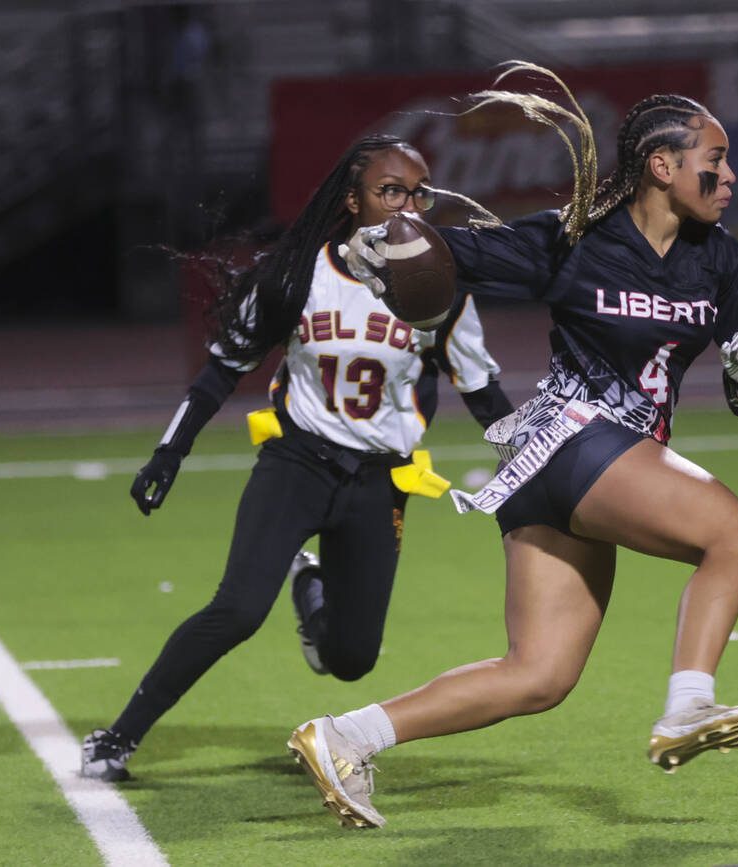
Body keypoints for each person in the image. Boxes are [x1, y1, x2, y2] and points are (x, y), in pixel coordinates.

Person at [286, 64, 738, 830]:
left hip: (563, 467)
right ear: (662, 165)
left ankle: (345, 735)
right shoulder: (576, 239)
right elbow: (457, 253)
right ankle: (689, 704)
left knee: (539, 675)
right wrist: (376, 247)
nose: (729, 177)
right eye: (713, 163)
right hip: (577, 439)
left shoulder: (718, 256)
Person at [80, 133, 514, 781]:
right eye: (390, 190)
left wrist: (532, 460)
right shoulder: (298, 272)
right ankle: (117, 737)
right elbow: (222, 369)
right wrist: (170, 452)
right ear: (352, 198)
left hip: (379, 482)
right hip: (299, 462)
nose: (408, 205)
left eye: (419, 192)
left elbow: (482, 390)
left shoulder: (437, 285)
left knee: (352, 659)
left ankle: (309, 593)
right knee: (237, 609)